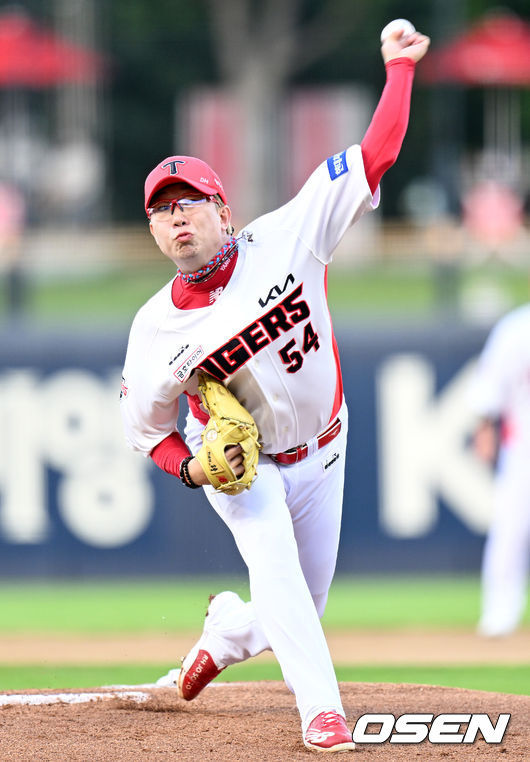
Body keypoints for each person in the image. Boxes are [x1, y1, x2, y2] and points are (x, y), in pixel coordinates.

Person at [120, 27, 430, 753]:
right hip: (240, 463)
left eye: (190, 202)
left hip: (324, 445)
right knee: (279, 573)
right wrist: (194, 468)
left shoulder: (289, 235)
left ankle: (228, 633)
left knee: (301, 603)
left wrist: (398, 68)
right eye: (163, 210)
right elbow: (147, 432)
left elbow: (377, 154)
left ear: (224, 210)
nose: (177, 218)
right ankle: (323, 714)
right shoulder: (154, 331)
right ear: (156, 234)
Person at [471, 304, 530, 638]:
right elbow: (490, 384)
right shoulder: (518, 328)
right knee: (511, 529)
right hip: (524, 448)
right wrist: (484, 428)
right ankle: (500, 612)